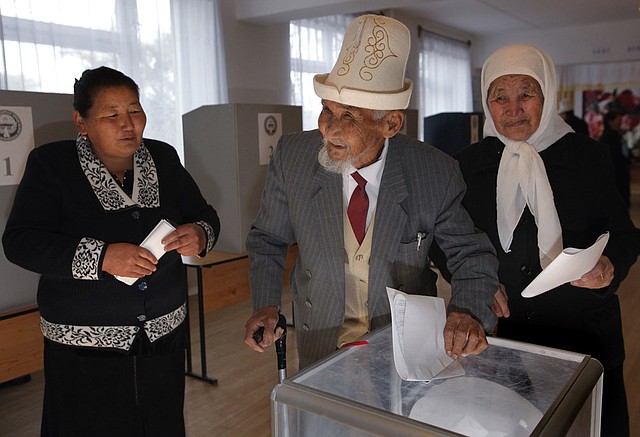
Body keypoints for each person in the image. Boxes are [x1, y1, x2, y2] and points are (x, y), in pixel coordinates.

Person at [243, 14, 499, 370]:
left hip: (402, 346)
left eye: (348, 116)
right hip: (320, 338)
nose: (328, 129)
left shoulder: (434, 171)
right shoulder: (293, 157)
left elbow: (470, 255)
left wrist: (465, 312)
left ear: (390, 123)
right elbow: (268, 238)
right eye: (326, 111)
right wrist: (266, 303)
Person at [2, 66, 220, 436]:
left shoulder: (164, 158)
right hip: (84, 347)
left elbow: (204, 215)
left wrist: (199, 234)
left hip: (161, 336)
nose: (128, 124)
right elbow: (20, 241)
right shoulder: (52, 165)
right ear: (81, 121)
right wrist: (102, 257)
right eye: (111, 115)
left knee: (160, 423)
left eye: (135, 110)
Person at [444, 44, 639, 436]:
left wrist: (608, 267)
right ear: (487, 102)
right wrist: (474, 282)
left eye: (526, 93)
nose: (512, 107)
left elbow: (624, 233)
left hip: (584, 332)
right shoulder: (467, 164)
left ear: (547, 96)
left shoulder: (590, 157)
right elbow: (445, 239)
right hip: (502, 337)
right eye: (500, 96)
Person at [599, 109, 631, 207]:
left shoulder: (617, 135)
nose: (620, 123)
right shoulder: (608, 137)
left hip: (620, 173)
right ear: (610, 121)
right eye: (618, 120)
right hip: (615, 174)